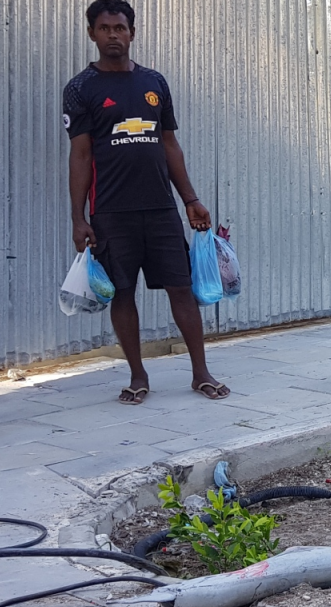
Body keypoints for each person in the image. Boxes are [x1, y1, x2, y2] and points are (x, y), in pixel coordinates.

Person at [65, 0, 229, 404]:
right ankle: (138, 376)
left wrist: (190, 199)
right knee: (122, 293)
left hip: (160, 210)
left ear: (132, 33)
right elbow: (81, 154)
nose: (113, 35)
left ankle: (201, 373)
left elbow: (169, 145)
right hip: (111, 213)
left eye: (120, 28)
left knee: (182, 288)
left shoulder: (154, 83)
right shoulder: (81, 88)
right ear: (92, 34)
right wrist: (78, 218)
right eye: (104, 28)